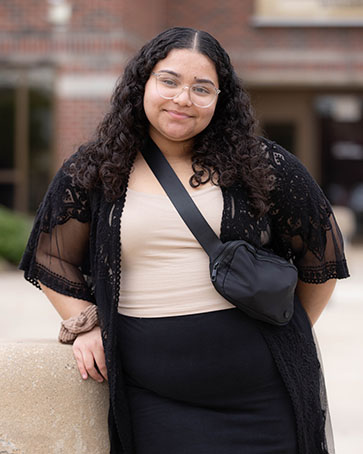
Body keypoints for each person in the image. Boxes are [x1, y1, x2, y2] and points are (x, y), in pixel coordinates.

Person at [20, 27, 349, 454]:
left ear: (220, 99)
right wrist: (85, 323)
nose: (183, 98)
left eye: (202, 88)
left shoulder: (263, 165)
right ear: (144, 83)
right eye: (169, 81)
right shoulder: (96, 168)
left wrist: (286, 332)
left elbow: (321, 260)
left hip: (264, 402)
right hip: (156, 401)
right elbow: (51, 257)